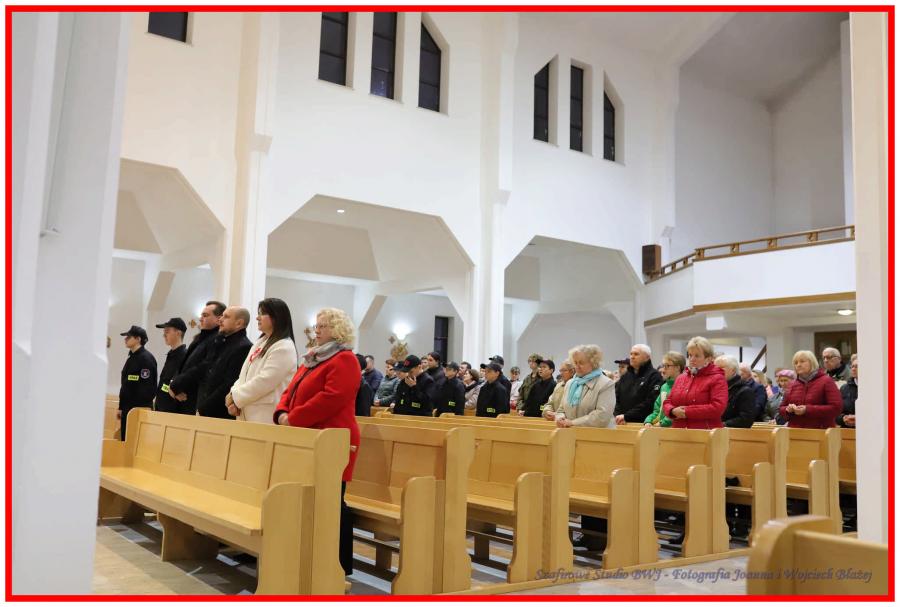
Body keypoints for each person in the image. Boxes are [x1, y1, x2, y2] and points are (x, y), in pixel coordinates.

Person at [274, 307, 360, 576]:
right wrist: (281, 411)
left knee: (331, 501)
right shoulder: (313, 357)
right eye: (317, 325)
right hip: (307, 436)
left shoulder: (345, 359)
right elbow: (291, 389)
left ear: (338, 330)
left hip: (332, 438)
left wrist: (293, 418)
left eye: (323, 326)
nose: (317, 330)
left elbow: (331, 398)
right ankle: (311, 557)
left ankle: (338, 566)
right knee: (311, 499)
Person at [225, 298, 298, 424]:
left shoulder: (284, 347)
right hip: (247, 410)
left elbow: (265, 380)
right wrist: (234, 393)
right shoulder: (260, 342)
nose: (257, 318)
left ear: (276, 317)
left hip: (264, 415)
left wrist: (235, 397)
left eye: (262, 314)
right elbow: (243, 375)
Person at [169, 300, 225, 414]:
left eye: (205, 315)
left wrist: (177, 385)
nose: (200, 318)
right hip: (181, 396)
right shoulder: (199, 339)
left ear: (218, 319)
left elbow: (203, 367)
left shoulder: (216, 340)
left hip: (194, 399)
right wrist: (174, 384)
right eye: (201, 315)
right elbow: (183, 365)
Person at [196, 307, 252, 419]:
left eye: (226, 317)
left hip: (219, 413)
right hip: (205, 408)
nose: (220, 320)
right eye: (222, 315)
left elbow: (229, 384)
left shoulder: (243, 347)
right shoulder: (222, 342)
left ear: (239, 323)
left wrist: (204, 408)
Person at [663, 336, 728, 429]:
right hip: (679, 431)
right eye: (690, 355)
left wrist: (686, 412)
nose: (692, 359)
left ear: (708, 358)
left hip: (705, 431)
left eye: (697, 356)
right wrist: (672, 411)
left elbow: (717, 408)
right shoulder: (681, 378)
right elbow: (668, 402)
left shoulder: (717, 378)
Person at [545, 344, 616, 428]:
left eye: (581, 363)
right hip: (571, 432)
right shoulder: (570, 383)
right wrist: (560, 418)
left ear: (593, 363)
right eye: (575, 363)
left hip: (597, 434)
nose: (577, 366)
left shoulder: (606, 384)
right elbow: (561, 409)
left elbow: (602, 416)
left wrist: (572, 423)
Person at [779, 350, 843, 429]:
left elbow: (836, 408)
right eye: (796, 363)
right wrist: (788, 409)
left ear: (812, 363)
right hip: (795, 430)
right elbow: (781, 408)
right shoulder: (792, 384)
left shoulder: (826, 381)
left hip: (820, 430)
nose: (798, 365)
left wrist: (807, 410)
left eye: (802, 361)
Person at [117, 325, 157, 441]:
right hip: (127, 409)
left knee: (136, 442)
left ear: (138, 339)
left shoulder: (146, 359)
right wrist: (121, 407)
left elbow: (148, 388)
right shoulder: (131, 358)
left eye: (129, 337)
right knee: (125, 441)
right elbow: (125, 385)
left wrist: (137, 409)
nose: (125, 339)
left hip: (138, 409)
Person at [613, 344, 663, 425]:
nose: (632, 357)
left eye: (636, 354)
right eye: (631, 354)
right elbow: (616, 398)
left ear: (647, 357)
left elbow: (651, 402)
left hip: (644, 423)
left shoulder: (654, 376)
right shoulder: (625, 376)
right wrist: (618, 415)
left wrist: (627, 416)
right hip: (621, 421)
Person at [153, 318, 187, 414]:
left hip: (173, 412)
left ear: (178, 333)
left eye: (167, 331)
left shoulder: (185, 356)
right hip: (161, 410)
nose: (164, 335)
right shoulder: (171, 355)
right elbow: (165, 384)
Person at [643, 351, 685, 427]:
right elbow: (658, 410)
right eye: (663, 366)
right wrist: (648, 421)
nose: (663, 369)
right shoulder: (664, 386)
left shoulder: (684, 386)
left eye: (667, 366)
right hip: (662, 428)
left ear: (677, 367)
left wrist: (662, 423)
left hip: (676, 429)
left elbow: (677, 411)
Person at [718, 356, 756, 428]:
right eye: (716, 368)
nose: (717, 371)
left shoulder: (745, 391)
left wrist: (723, 424)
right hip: (716, 430)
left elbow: (746, 419)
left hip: (732, 432)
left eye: (721, 368)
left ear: (733, 370)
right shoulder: (717, 388)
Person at [838, 358, 858, 427]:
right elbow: (836, 413)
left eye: (857, 366)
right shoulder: (844, 388)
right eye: (852, 366)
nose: (853, 369)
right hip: (847, 429)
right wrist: (843, 418)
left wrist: (859, 419)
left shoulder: (873, 387)